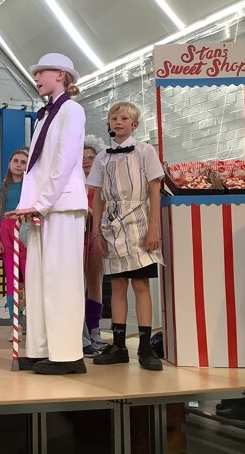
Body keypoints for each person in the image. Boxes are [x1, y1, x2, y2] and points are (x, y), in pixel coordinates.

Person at [8, 53, 88, 375]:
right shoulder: (44, 116)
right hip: (42, 206)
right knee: (39, 279)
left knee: (62, 278)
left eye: (42, 72)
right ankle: (41, 348)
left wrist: (41, 202)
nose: (37, 77)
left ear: (61, 74)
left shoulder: (72, 110)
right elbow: (36, 166)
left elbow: (65, 160)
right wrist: (28, 204)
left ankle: (68, 354)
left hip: (62, 204)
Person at [88, 101, 165, 371]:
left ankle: (145, 347)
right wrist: (96, 231)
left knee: (141, 285)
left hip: (140, 225)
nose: (118, 122)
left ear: (134, 124)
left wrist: (154, 228)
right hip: (112, 227)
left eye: (123, 118)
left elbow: (154, 190)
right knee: (118, 285)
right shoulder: (102, 157)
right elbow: (97, 197)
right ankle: (118, 345)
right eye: (114, 118)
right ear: (108, 123)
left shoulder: (145, 151)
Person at [0, 149, 29, 341]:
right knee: (11, 280)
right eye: (16, 161)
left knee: (30, 278)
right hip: (6, 232)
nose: (19, 165)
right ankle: (16, 323)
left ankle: (31, 321)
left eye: (23, 162)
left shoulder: (30, 186)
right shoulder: (2, 187)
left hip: (25, 230)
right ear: (9, 163)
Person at [82, 135, 107, 357]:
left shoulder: (102, 181)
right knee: (77, 284)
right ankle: (81, 333)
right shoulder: (74, 180)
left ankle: (94, 329)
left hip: (95, 233)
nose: (86, 160)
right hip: (76, 234)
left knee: (95, 282)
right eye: (82, 157)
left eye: (90, 157)